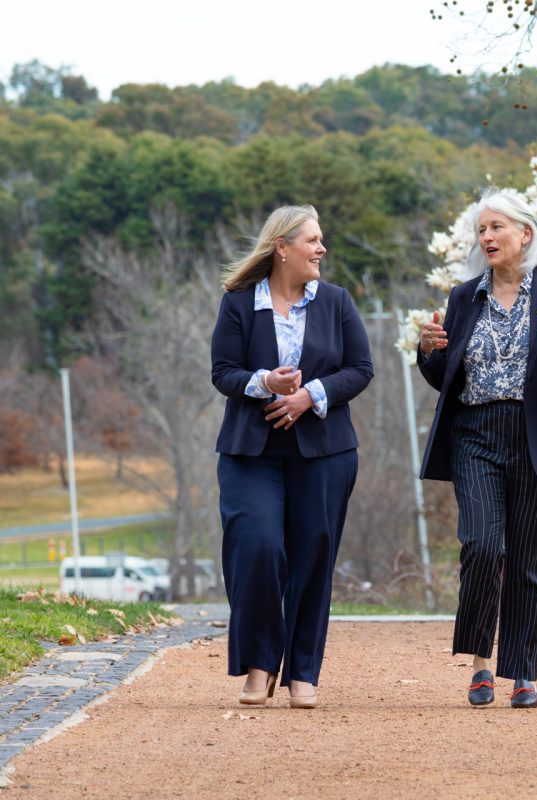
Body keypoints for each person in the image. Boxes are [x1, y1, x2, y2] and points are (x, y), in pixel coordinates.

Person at [417, 189, 537, 709]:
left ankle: (522, 671)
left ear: (526, 233)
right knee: (482, 545)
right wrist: (427, 350)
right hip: (475, 434)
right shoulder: (462, 296)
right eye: (481, 229)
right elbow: (442, 374)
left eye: (497, 227)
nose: (487, 237)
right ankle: (480, 664)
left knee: (530, 562)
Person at [211, 204, 373, 709]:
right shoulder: (239, 303)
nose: (322, 249)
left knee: (311, 559)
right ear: (282, 247)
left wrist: (311, 395)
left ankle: (303, 671)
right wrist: (265, 383)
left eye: (322, 240)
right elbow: (223, 372)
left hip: (324, 453)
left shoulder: (337, 302)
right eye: (313, 240)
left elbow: (361, 368)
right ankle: (259, 666)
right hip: (250, 453)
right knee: (257, 547)